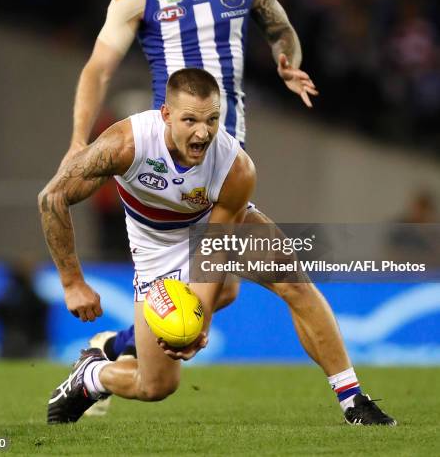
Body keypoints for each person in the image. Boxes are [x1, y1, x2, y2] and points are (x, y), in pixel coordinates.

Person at [58, 0, 396, 425]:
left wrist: (289, 58)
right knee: (196, 334)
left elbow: (280, 27)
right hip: (170, 181)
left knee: (255, 286)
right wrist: (78, 140)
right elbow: (98, 67)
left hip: (224, 171)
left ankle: (352, 399)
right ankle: (103, 362)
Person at [41, 69, 395, 426]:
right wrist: (72, 283)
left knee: (292, 278)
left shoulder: (235, 168)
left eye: (211, 119)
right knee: (155, 386)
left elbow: (214, 247)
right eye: (190, 120)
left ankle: (353, 401)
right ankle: (92, 375)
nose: (202, 132)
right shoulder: (125, 145)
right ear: (166, 115)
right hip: (156, 247)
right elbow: (52, 197)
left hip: (207, 226)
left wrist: (200, 325)